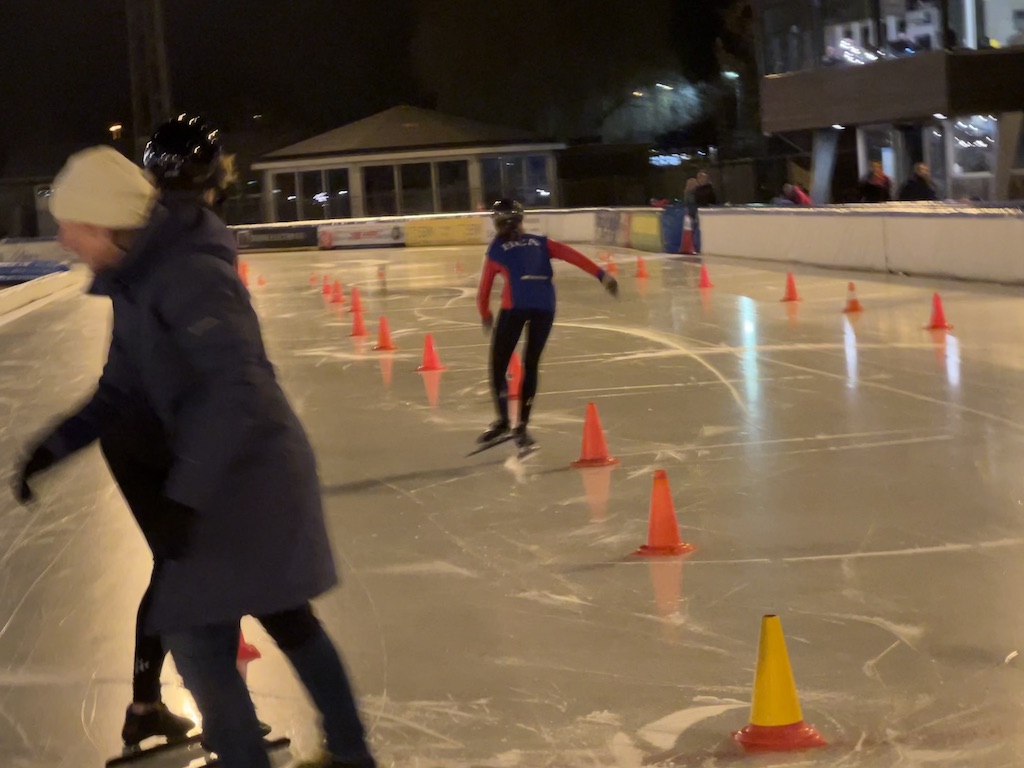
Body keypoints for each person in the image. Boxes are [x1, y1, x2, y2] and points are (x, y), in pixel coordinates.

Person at [12, 146, 376, 768]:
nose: (64, 240)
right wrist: (55, 444)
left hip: (249, 475)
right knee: (269, 619)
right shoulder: (138, 280)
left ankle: (326, 753)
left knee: (208, 636)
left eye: (70, 226)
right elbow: (121, 391)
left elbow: (235, 393)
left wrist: (183, 500)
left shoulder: (190, 276)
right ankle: (348, 752)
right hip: (216, 476)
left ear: (104, 223)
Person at [476, 199, 618, 453]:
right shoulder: (540, 242)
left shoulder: (497, 248)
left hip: (514, 308)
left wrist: (485, 314)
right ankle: (522, 426)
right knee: (531, 364)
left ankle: (504, 421)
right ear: (521, 220)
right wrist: (601, 275)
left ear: (496, 223)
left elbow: (484, 289)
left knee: (498, 365)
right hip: (545, 308)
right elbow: (572, 255)